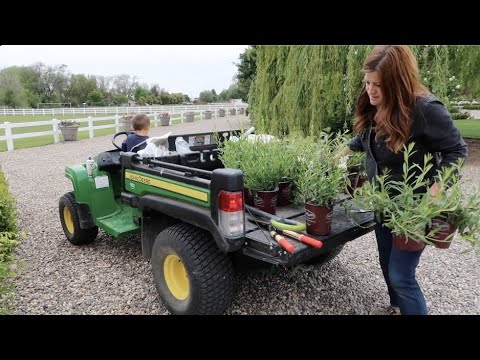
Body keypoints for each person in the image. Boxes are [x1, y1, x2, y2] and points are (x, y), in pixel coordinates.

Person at [346, 45, 468, 315]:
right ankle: (397, 307)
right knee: (386, 262)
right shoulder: (372, 103)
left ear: (398, 83)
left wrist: (437, 189)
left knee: (402, 276)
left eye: (379, 84)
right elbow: (366, 139)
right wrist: (342, 149)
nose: (370, 90)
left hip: (412, 210)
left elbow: (457, 149)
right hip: (382, 204)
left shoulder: (424, 109)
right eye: (367, 82)